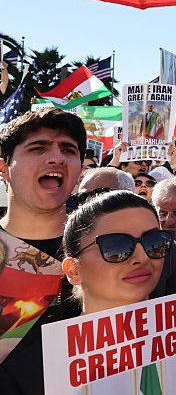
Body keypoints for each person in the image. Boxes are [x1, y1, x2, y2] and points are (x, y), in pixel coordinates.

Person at [61, 190, 176, 393]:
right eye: (116, 247)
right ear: (74, 270)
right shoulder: (47, 361)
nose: (142, 257)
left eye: (154, 242)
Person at [0, 108, 86, 392]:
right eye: (38, 148)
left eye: (68, 150)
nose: (56, 158)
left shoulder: (106, 250)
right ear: (3, 168)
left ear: (80, 170)